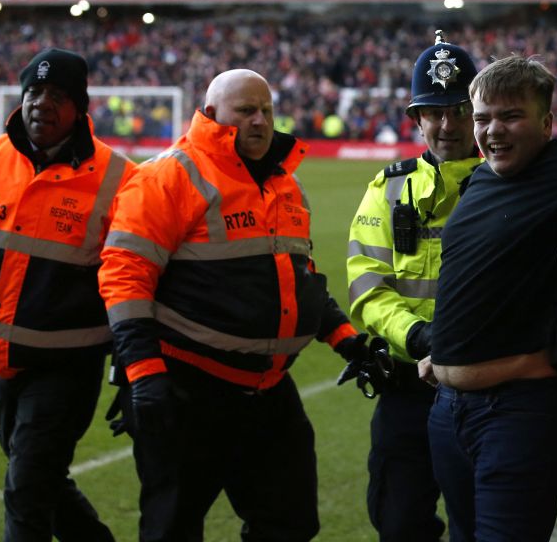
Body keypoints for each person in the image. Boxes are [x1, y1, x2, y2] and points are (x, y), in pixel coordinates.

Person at [98, 68, 366, 541]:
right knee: (172, 530)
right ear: (212, 113)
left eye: (266, 110)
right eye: (246, 111)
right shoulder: (168, 176)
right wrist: (142, 373)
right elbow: (124, 276)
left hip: (268, 390)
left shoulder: (285, 183)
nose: (260, 121)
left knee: (290, 525)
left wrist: (348, 341)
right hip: (187, 391)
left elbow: (298, 279)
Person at [0, 48, 131, 541]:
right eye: (34, 91)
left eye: (57, 95)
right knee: (41, 482)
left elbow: (137, 283)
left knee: (26, 491)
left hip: (67, 369)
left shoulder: (121, 180)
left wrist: (131, 369)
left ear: (80, 109)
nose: (41, 103)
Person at [423, 55, 557, 541]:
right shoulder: (478, 182)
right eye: (483, 118)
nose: (493, 131)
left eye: (511, 116)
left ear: (547, 122)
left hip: (520, 413)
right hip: (448, 412)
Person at [346, 31, 483, 541]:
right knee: (400, 525)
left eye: (458, 110)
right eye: (434, 112)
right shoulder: (388, 188)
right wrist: (421, 339)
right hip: (407, 387)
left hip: (485, 391)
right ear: (416, 118)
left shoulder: (510, 182)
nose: (446, 125)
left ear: (477, 112)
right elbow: (367, 286)